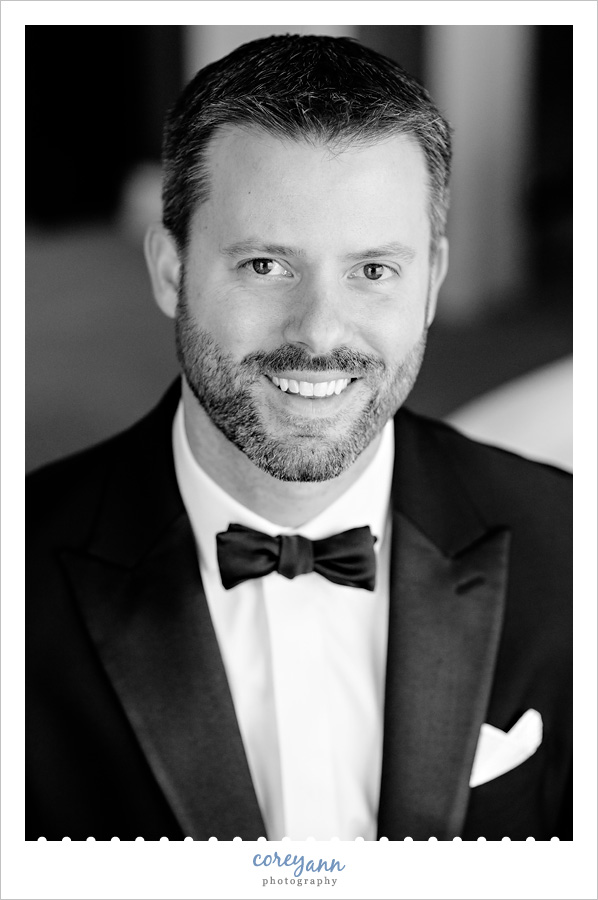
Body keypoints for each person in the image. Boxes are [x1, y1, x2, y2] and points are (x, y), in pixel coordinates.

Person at [26, 33, 571, 841]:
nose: (320, 334)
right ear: (171, 270)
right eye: (265, 266)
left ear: (434, 281)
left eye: (374, 270)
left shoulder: (566, 544)